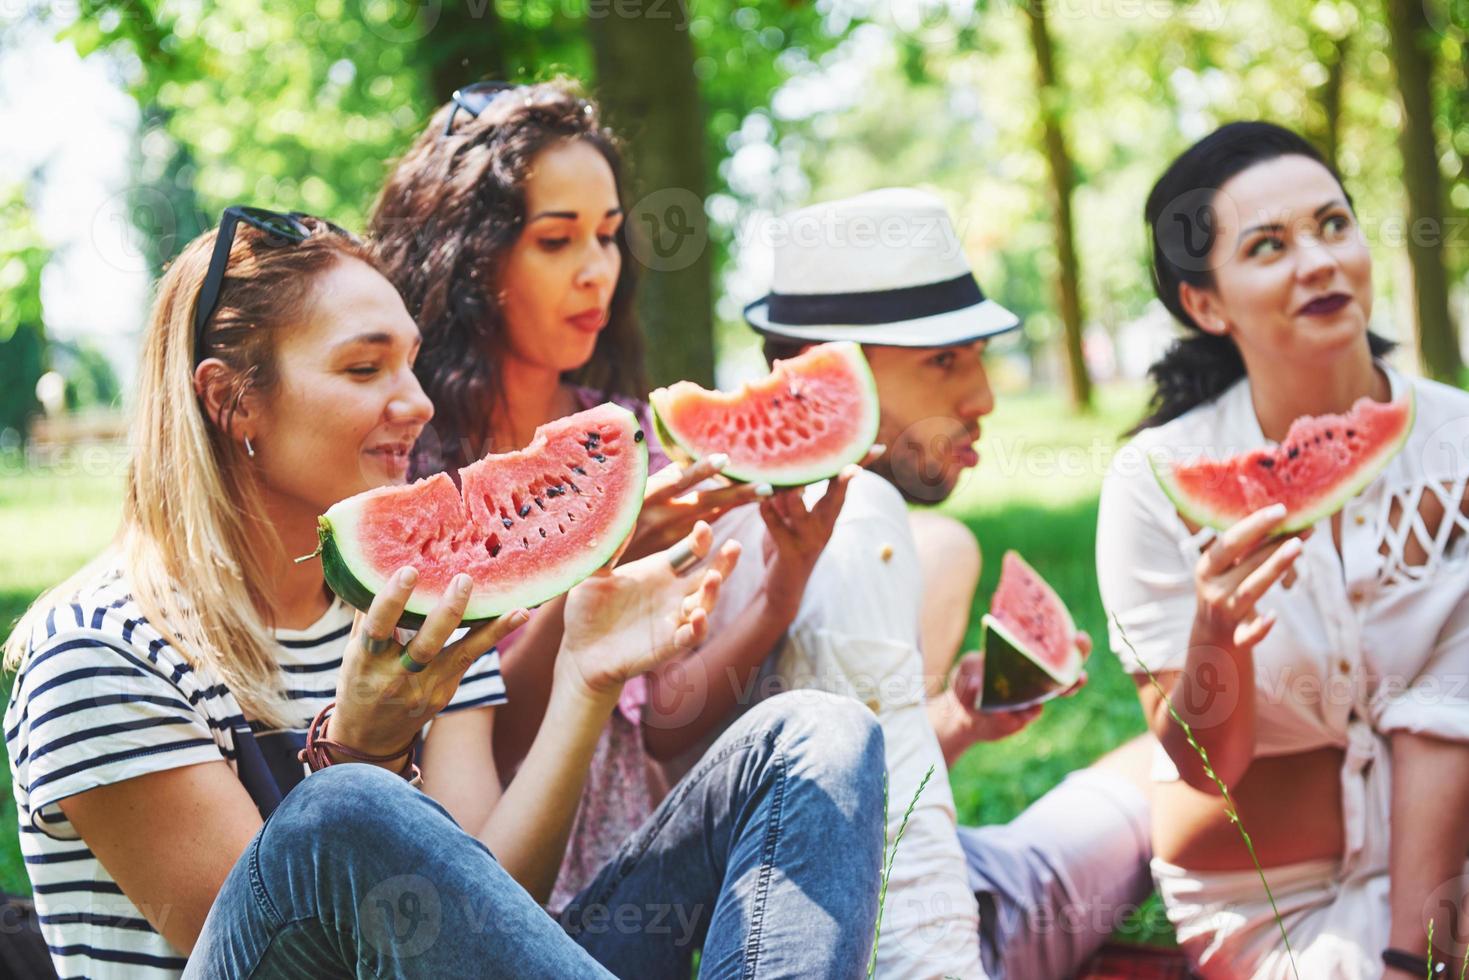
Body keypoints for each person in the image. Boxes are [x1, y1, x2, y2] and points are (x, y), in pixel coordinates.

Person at [2, 207, 887, 979]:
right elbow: (281, 952)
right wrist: (358, 752)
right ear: (231, 401)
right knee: (347, 807)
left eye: (411, 364)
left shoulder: (420, 600)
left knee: (817, 735)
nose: (417, 403)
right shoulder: (100, 654)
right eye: (363, 370)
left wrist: (584, 672)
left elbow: (493, 902)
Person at [367, 77, 862, 916]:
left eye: (608, 236)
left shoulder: (628, 435)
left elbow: (659, 724)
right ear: (468, 252)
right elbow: (492, 743)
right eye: (556, 241)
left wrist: (784, 586)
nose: (597, 270)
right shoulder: (405, 463)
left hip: (632, 877)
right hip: (490, 899)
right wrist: (591, 568)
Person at [702, 187, 1154, 978]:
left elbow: (846, 817)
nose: (979, 398)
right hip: (941, 937)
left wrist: (960, 724)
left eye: (975, 357)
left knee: (1154, 760)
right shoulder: (865, 515)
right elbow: (896, 904)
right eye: (943, 361)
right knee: (1186, 776)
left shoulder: (750, 528)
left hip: (956, 879)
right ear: (821, 374)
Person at [1097, 121, 1469, 978]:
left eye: (1333, 224)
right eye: (1268, 246)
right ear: (1206, 302)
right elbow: (1202, 768)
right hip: (1263, 898)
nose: (1317, 261)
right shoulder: (1155, 478)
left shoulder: (1458, 441)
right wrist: (1214, 636)